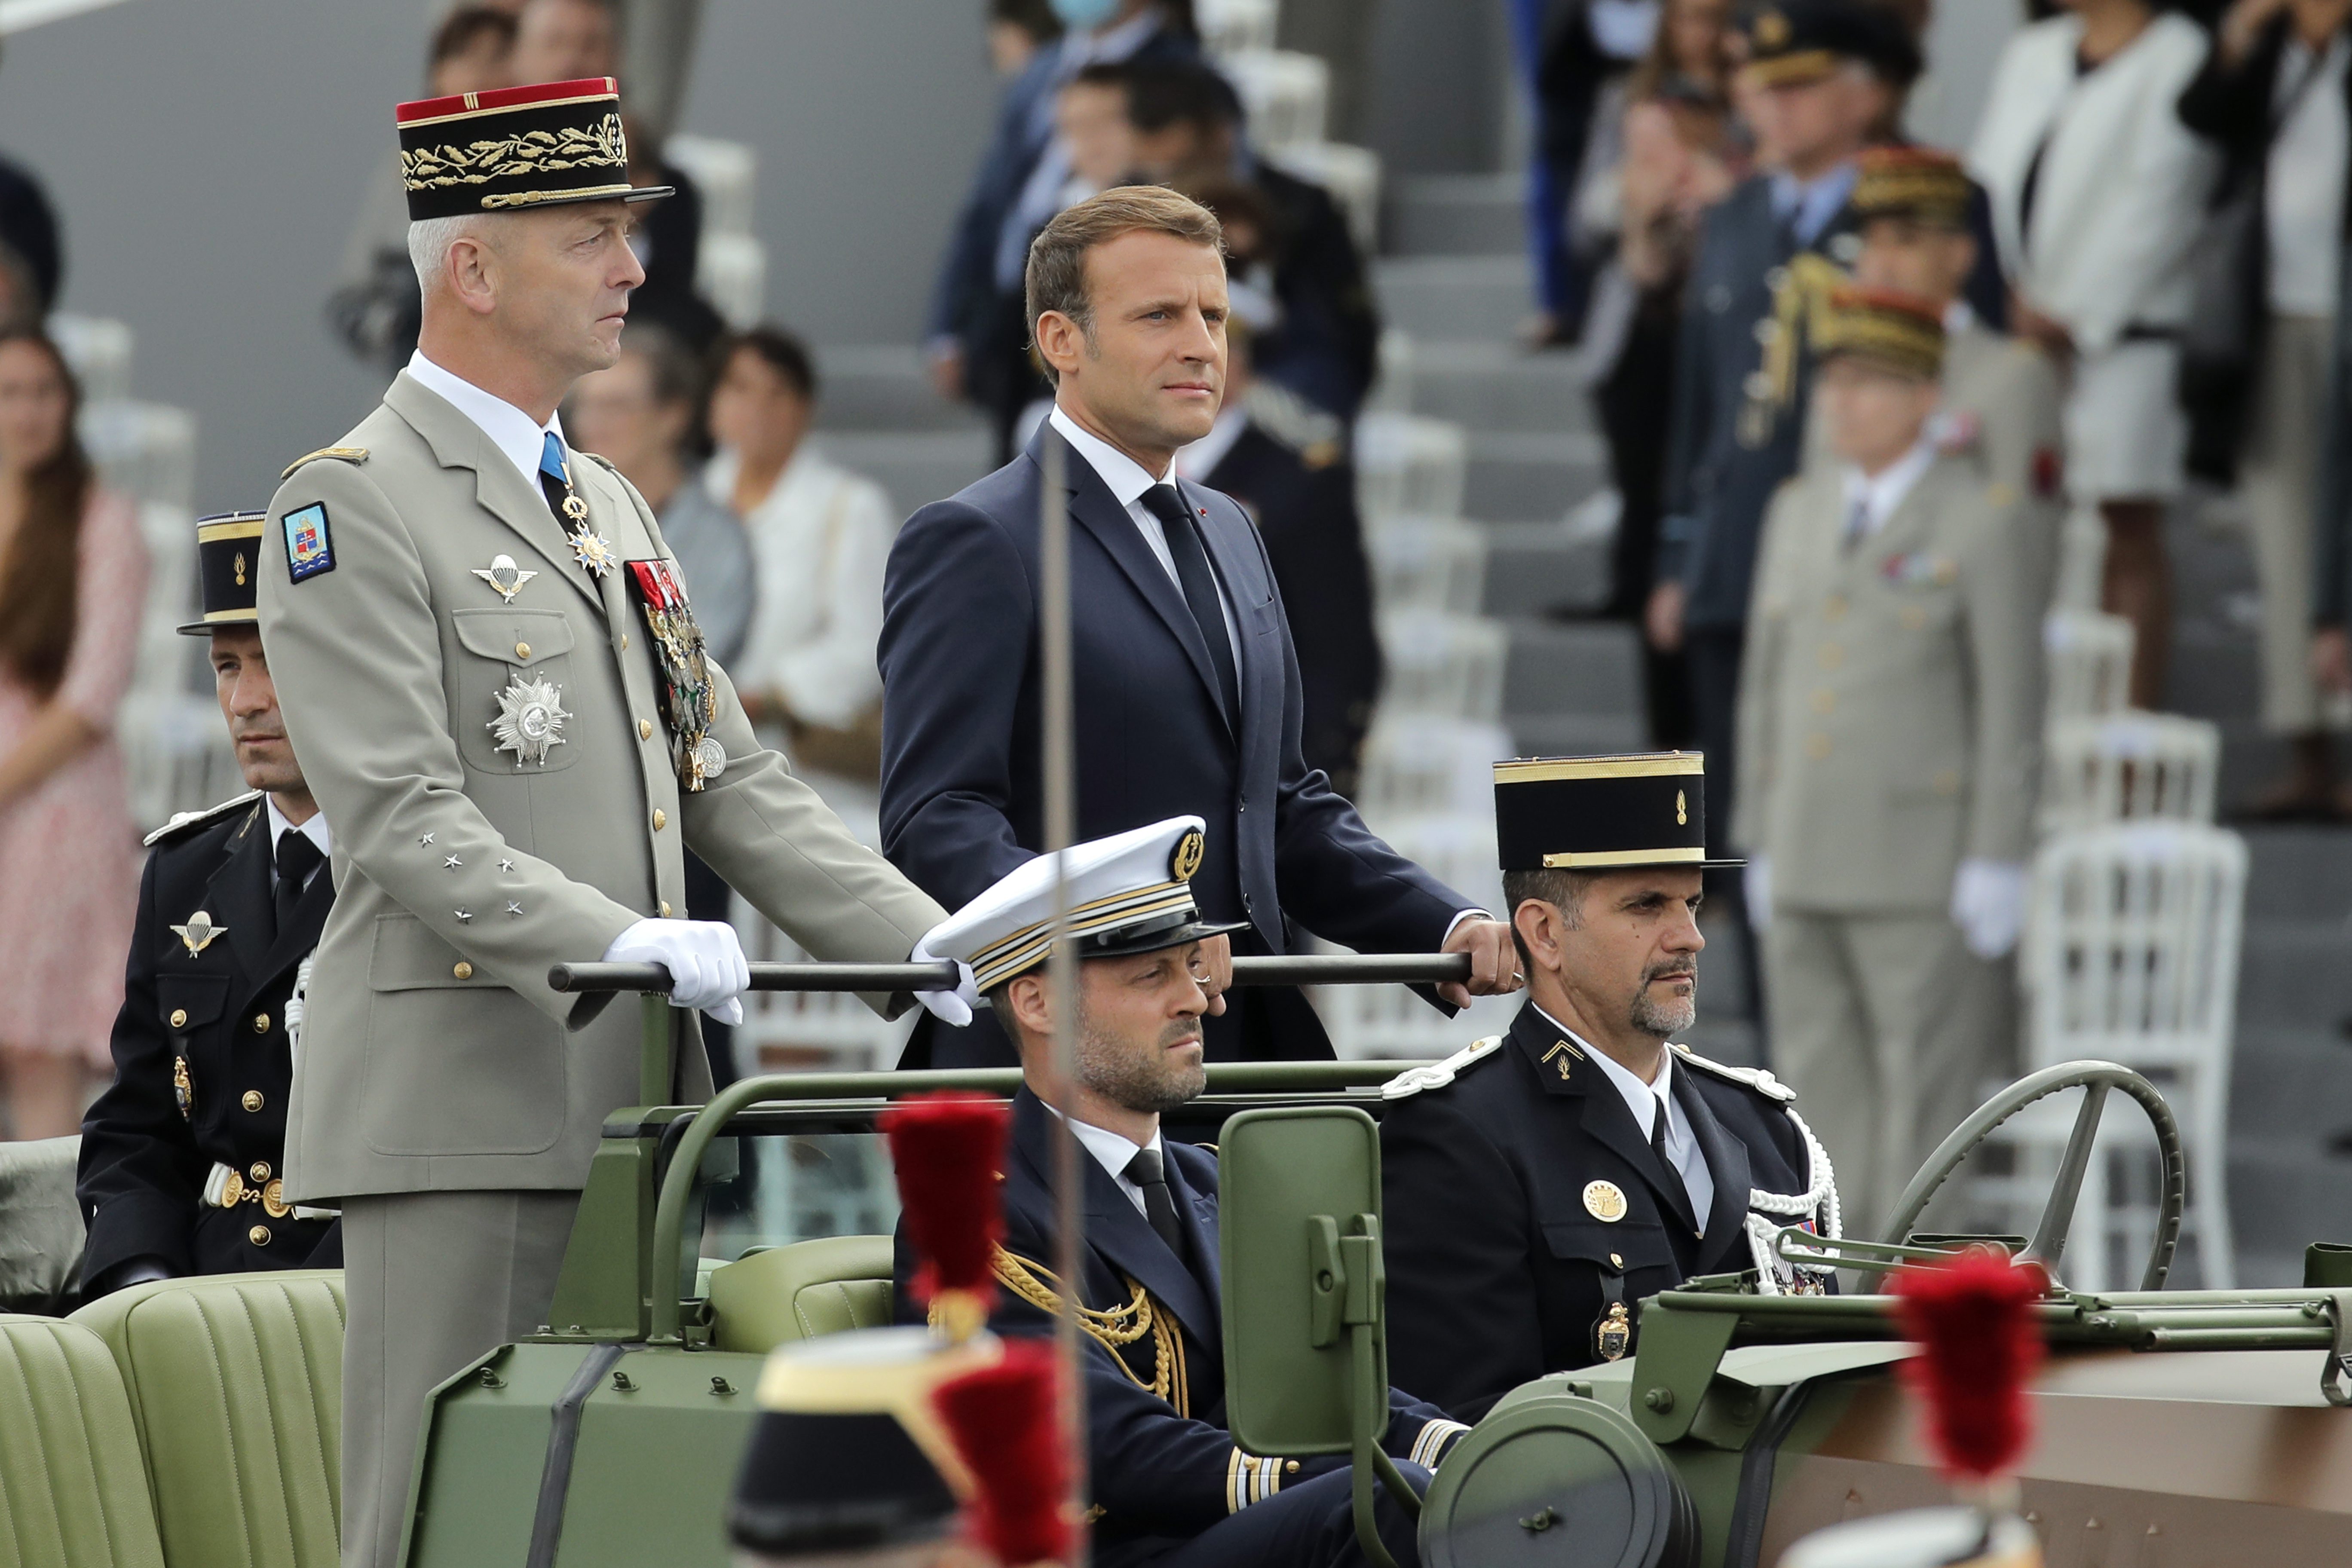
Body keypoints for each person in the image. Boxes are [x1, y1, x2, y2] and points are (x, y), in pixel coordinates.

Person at [257, 78, 960, 1568]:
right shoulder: (351, 504)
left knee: (605, 1522)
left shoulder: (611, 507)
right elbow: (397, 811)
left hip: (632, 1103)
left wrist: (934, 942)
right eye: (590, 237)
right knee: (438, 1520)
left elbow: (728, 777)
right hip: (466, 1107)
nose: (633, 269)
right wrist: (618, 938)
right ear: (473, 266)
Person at [880, 186, 1522, 1070]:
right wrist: (1135, 936)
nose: (1201, 345)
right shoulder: (976, 539)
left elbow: (1281, 807)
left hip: (1245, 1052)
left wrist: (1445, 922)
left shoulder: (1232, 531)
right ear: (1061, 341)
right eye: (1159, 316)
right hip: (1063, 1066)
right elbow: (937, 819)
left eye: (1212, 316)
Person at [901, 816, 1469, 1568]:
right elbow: (1100, 1442)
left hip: (1227, 1529)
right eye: (1152, 976)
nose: (1198, 1001)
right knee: (1389, 1506)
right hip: (1107, 1549)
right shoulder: (978, 1212)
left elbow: (1327, 1384)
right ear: (1038, 1005)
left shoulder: (1210, 1177)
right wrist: (1348, 1475)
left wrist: (1472, 1449)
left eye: (1191, 969)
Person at [1379, 753, 1836, 1421]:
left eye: (1692, 903)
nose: (1690, 938)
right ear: (1545, 934)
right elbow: (1473, 1430)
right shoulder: (1460, 1134)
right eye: (1647, 906)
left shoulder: (1763, 1126)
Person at [1735, 288, 2045, 1238]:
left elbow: (2010, 695)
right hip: (1805, 841)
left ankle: (1910, 1300)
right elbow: (1763, 685)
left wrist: (1997, 851)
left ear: (1924, 397)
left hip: (1921, 858)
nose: (1842, 401)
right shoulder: (1799, 509)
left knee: (1927, 1109)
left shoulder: (1980, 518)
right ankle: (1833, 1284)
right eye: (1833, 380)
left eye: (1869, 382)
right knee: (1817, 1091)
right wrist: (1754, 832)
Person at [1648, 0, 1918, 987]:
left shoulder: (1908, 211)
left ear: (1866, 93)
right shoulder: (1736, 215)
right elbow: (1699, 405)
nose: (1774, 105)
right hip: (1736, 557)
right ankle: (1774, 1035)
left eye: (1801, 85)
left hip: (1862, 562)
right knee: (1746, 827)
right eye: (1763, 87)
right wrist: (1677, 553)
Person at [76, 511, 342, 1293]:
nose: (245, 700)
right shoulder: (185, 870)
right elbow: (137, 1128)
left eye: (276, 663)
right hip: (200, 1279)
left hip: (355, 1294)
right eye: (227, 666)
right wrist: (143, 1280)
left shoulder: (429, 869)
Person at [1969, 0, 2217, 710]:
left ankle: (2126, 725)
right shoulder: (2036, 50)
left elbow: (2163, 200)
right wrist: (2000, 291)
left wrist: (2071, 315)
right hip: (2017, 322)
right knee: (2025, 511)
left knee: (2123, 524)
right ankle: (2042, 711)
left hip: (2124, 333)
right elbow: (1987, 175)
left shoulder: (2181, 54)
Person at [566, 322, 756, 1081]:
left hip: (683, 802)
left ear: (675, 415)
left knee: (704, 1021)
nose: (594, 423)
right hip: (584, 812)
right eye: (586, 405)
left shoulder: (712, 534)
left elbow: (687, 672)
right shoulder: (561, 512)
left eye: (618, 404)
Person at [2180, 0, 2352, 815]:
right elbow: (2200, 116)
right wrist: (2242, 33)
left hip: (2341, 307)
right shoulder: (2267, 47)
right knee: (2283, 531)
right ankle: (2304, 741)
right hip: (2273, 314)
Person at [925, 0, 1200, 449]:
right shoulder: (1040, 70)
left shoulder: (1185, 74)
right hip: (1015, 320)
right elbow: (988, 206)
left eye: (1101, 126)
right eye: (1075, 128)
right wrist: (950, 325)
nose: (1087, 144)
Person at [1580, 0, 1742, 749]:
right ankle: (1666, 739)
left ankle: (1713, 727)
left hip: (1726, 338)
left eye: (1713, 19)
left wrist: (1717, 187)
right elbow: (1586, 218)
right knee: (1650, 521)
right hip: (1644, 334)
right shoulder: (1627, 100)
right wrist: (1635, 197)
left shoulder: (1758, 101)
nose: (1699, 35)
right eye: (1685, 19)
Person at [0, 329, 148, 1142]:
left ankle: (46, 1231)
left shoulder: (104, 523)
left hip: (55, 813)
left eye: (43, 392)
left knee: (38, 1048)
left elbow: (91, 696)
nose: (27, 412)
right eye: (9, 393)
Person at [1173, 248, 1381, 796]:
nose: (1191, 362)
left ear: (1241, 358)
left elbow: (1335, 646)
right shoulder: (1122, 468)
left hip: (1255, 778)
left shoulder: (1298, 479)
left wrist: (1301, 783)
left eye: (1213, 344)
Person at [1126, 59, 1382, 423]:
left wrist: (1254, 390)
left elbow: (1344, 344)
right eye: (1157, 170)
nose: (1167, 182)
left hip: (1277, 388)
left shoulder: (1302, 210)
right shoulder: (1133, 204)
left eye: (1181, 165)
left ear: (1221, 135)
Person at [707, 326, 901, 793]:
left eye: (778, 393)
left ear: (805, 408)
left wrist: (767, 696)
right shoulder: (691, 501)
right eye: (740, 388)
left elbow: (866, 643)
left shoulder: (850, 506)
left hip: (805, 768)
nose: (758, 408)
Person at [1846, 147, 2067, 542]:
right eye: (1871, 242)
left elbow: (2026, 532)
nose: (1881, 264)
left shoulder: (2013, 376)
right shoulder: (1842, 371)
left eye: (1905, 242)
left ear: (1958, 255)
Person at [511, 0, 723, 348]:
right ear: (517, 58)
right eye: (555, 42)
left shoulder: (667, 188)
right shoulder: (477, 177)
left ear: (618, 59)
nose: (572, 61)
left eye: (591, 44)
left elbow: (675, 306)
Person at [328, 6, 517, 376]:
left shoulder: (541, 163)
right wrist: (400, 329)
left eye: (498, 57)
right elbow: (349, 299)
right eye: (466, 57)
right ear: (438, 73)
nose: (482, 74)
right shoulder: (402, 169)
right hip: (419, 373)